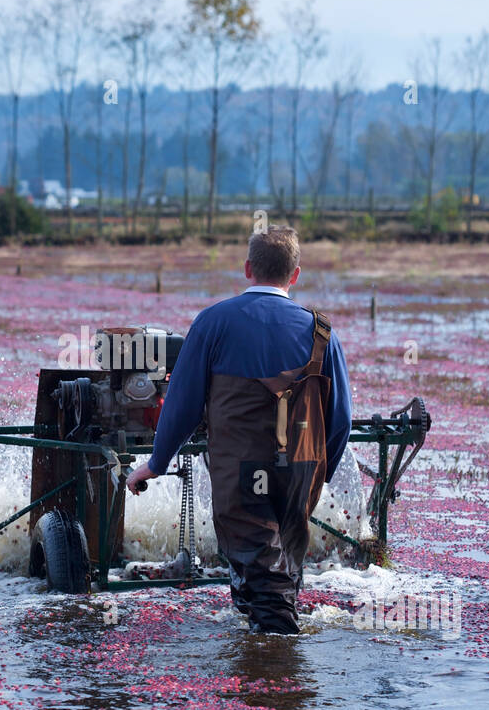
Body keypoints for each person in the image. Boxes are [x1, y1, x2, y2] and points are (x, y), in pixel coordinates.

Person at [126, 226, 352, 634]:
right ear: (295, 275)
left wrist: (156, 464)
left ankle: (277, 675)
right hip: (301, 470)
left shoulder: (213, 323)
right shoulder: (322, 332)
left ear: (248, 268)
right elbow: (342, 420)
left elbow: (183, 404)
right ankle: (266, 667)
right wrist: (318, 475)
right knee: (282, 570)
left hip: (243, 471)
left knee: (265, 583)